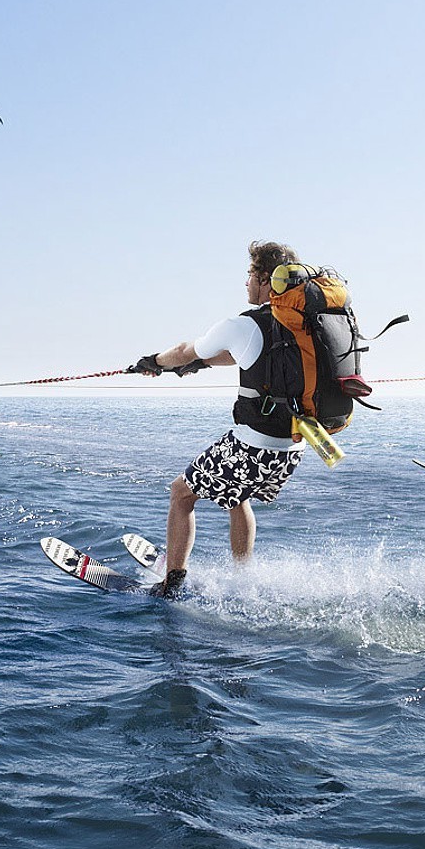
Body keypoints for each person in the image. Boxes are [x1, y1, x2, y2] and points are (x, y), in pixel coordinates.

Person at [131, 240, 307, 597]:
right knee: (236, 495)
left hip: (254, 446)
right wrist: (199, 364)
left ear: (263, 279)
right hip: (292, 444)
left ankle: (172, 584)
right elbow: (245, 356)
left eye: (249, 275)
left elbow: (182, 350)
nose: (245, 283)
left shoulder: (246, 323)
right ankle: (243, 579)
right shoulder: (298, 325)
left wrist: (154, 361)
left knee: (181, 494)